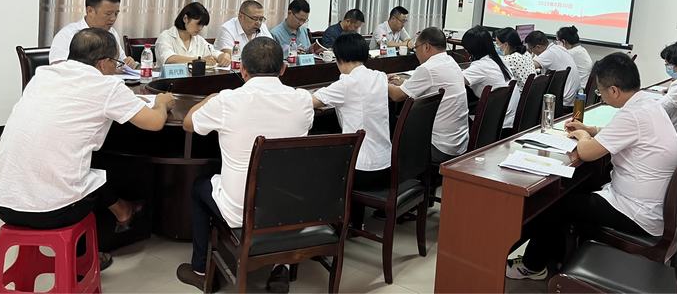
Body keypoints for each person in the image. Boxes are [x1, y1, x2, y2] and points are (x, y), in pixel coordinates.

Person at [0, 28, 175, 271]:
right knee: (99, 168)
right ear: (103, 62)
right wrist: (162, 103)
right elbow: (154, 123)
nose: (116, 68)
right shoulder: (106, 86)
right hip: (53, 210)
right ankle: (89, 250)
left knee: (76, 161)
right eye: (116, 62)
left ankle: (122, 211)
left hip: (3, 203)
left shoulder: (43, 76)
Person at [506, 53, 677, 280]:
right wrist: (591, 130)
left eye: (601, 91)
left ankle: (532, 265)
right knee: (576, 190)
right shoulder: (647, 103)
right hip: (651, 203)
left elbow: (586, 153)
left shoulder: (633, 114)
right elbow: (620, 133)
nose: (601, 96)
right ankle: (556, 257)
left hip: (636, 212)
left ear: (614, 91)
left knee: (555, 205)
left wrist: (582, 136)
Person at [176, 37, 314, 293]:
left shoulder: (227, 101)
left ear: (242, 70)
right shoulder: (303, 99)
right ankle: (280, 267)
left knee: (199, 186)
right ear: (283, 69)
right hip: (292, 207)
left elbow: (188, 123)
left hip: (242, 212)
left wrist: (211, 98)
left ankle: (200, 270)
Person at [311, 33, 391, 226]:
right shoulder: (379, 76)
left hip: (361, 170)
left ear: (339, 58)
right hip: (386, 164)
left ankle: (336, 221)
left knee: (314, 156)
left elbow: (311, 101)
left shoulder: (347, 83)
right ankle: (354, 219)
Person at [388, 27, 469, 163]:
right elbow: (428, 84)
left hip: (439, 147)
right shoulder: (451, 62)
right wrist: (401, 82)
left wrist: (380, 81)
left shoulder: (428, 68)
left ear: (426, 47)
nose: (416, 53)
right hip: (458, 144)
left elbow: (397, 96)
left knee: (393, 129)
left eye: (416, 48)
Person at [48, 0, 136, 68]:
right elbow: (58, 69)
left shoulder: (112, 32)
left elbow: (121, 61)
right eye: (108, 14)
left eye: (116, 13)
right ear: (90, 11)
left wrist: (128, 63)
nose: (113, 18)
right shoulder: (68, 34)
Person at [461, 26, 517, 130]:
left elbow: (455, 81)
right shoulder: (499, 60)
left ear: (471, 50)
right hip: (507, 120)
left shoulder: (481, 66)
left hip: (495, 125)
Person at [155, 2, 230, 68]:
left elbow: (214, 53)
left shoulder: (199, 40)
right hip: (169, 79)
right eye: (198, 24)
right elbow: (169, 59)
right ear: (185, 18)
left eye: (202, 25)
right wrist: (199, 60)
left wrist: (224, 56)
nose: (200, 28)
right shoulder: (165, 37)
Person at [523, 30, 581, 109]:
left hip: (563, 100)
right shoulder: (558, 48)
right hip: (571, 98)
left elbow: (527, 66)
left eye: (531, 49)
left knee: (528, 99)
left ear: (538, 47)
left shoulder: (549, 53)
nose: (531, 52)